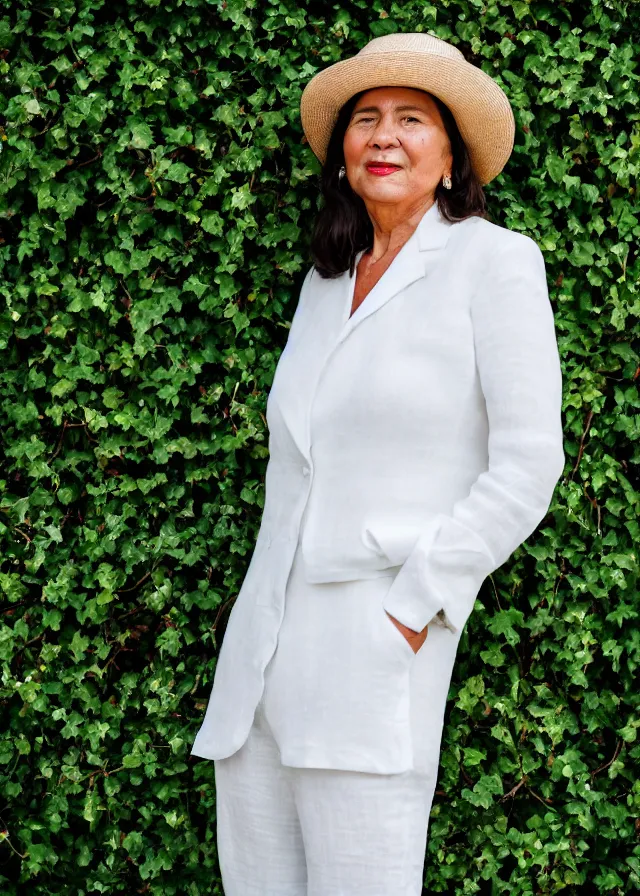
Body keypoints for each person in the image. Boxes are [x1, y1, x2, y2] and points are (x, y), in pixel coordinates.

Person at [190, 31, 565, 896]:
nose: (383, 137)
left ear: (451, 156)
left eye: (410, 119)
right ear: (342, 153)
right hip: (261, 662)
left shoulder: (495, 264)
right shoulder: (326, 283)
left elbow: (526, 464)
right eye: (366, 119)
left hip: (375, 640)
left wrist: (412, 607)